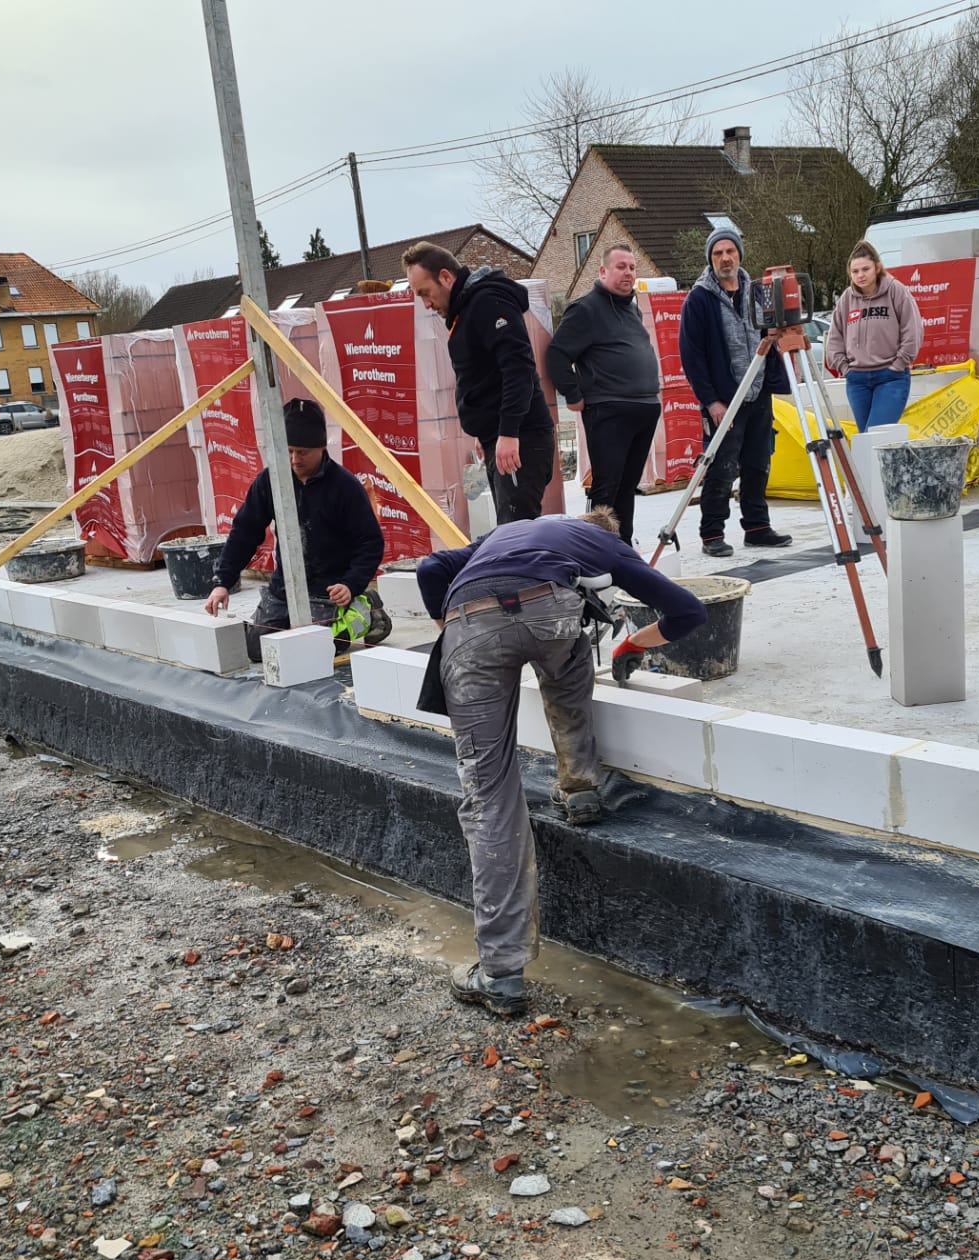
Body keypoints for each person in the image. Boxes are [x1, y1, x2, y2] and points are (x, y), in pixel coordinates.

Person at [416, 507, 706, 1018]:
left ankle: (501, 974)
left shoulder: (509, 532)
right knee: (571, 643)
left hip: (470, 623)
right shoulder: (603, 543)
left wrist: (459, 629)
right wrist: (633, 642)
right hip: (553, 611)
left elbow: (431, 567)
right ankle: (580, 785)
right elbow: (687, 612)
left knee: (489, 795)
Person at [205, 397, 390, 659]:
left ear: (321, 448)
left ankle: (367, 608)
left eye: (303, 452)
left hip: (330, 588)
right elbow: (245, 532)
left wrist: (350, 584)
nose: (294, 459)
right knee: (259, 649)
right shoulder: (270, 481)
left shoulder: (345, 487)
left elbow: (370, 543)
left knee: (317, 649)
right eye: (289, 451)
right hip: (285, 587)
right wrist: (223, 582)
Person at [403, 240, 555, 525]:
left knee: (517, 535)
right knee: (510, 533)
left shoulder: (488, 303)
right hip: (500, 437)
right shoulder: (465, 311)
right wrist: (485, 431)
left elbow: (518, 369)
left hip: (522, 437)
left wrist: (508, 432)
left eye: (425, 292)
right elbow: (483, 377)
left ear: (446, 277)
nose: (426, 304)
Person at [677, 225, 793, 559]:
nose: (725, 258)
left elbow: (772, 336)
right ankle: (712, 532)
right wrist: (711, 401)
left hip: (758, 392)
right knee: (721, 466)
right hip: (725, 400)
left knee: (758, 463)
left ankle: (757, 528)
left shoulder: (757, 292)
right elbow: (692, 355)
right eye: (718, 253)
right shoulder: (699, 300)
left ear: (739, 254)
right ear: (710, 259)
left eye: (730, 251)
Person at [544, 245, 661, 545]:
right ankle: (597, 548)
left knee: (628, 486)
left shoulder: (632, 308)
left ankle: (623, 546)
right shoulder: (586, 309)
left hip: (644, 408)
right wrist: (572, 394)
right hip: (608, 410)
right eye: (621, 267)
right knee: (607, 487)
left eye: (632, 267)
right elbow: (557, 354)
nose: (628, 273)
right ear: (603, 271)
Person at [824, 240, 924, 432]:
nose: (860, 275)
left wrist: (899, 364)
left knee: (876, 434)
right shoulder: (847, 298)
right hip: (857, 380)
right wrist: (844, 367)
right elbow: (835, 336)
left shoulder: (896, 291)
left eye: (865, 269)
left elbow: (912, 330)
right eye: (855, 271)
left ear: (877, 268)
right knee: (866, 438)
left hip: (890, 377)